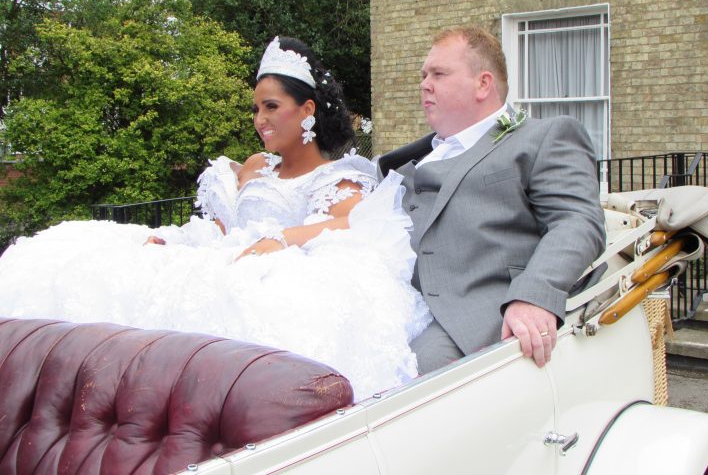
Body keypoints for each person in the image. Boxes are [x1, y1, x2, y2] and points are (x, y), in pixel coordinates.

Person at [0, 36, 431, 400]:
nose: (259, 120)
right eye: (256, 109)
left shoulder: (337, 179)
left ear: (307, 110)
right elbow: (226, 229)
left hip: (268, 277)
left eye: (270, 107)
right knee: (88, 262)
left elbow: (348, 226)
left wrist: (281, 239)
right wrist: (181, 242)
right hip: (225, 259)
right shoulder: (255, 165)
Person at [377, 26, 606, 374]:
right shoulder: (407, 159)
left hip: (470, 316)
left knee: (391, 381)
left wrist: (533, 294)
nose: (424, 84)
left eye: (438, 74)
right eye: (424, 75)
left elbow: (577, 221)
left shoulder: (543, 137)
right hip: (390, 304)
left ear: (483, 84)